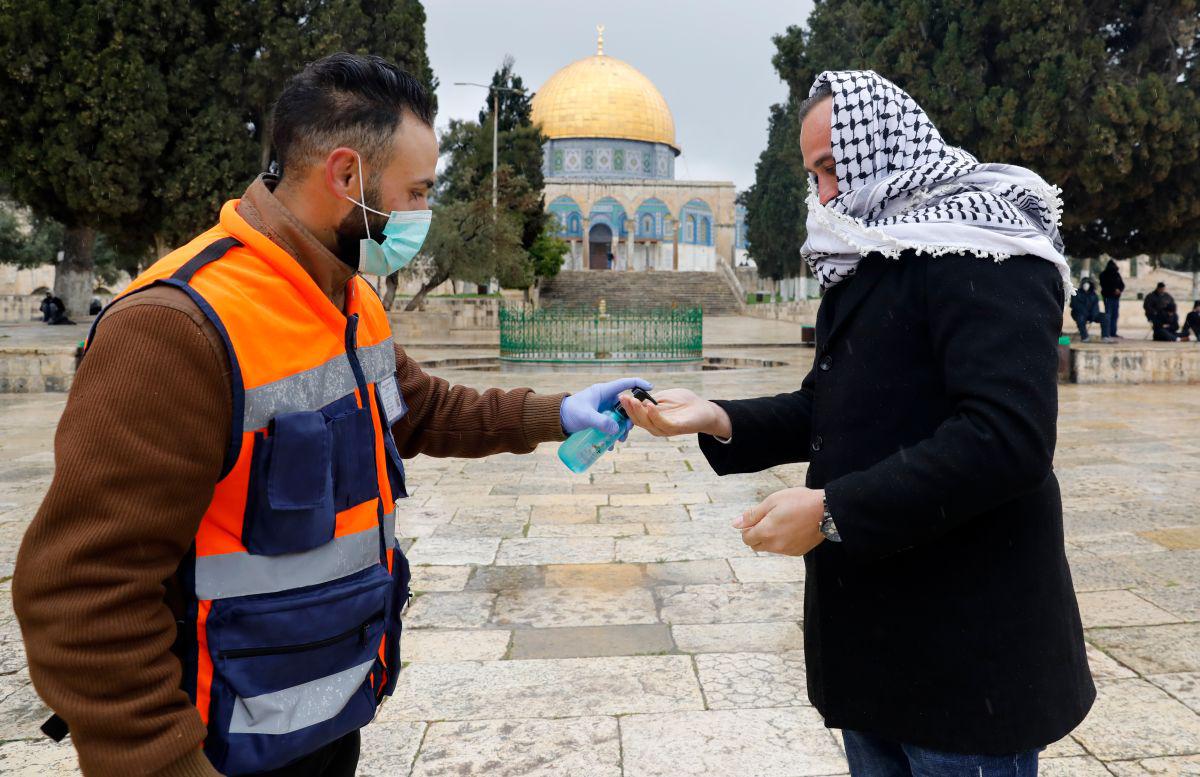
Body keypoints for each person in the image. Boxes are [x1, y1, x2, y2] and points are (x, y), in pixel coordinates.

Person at [13, 53, 646, 777]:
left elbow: (421, 409)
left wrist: (556, 412)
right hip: (218, 743)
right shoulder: (178, 326)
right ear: (347, 176)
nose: (422, 215)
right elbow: (80, 588)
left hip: (322, 720)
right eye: (415, 192)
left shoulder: (346, 300)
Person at [622, 71, 1093, 776]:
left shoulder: (987, 246)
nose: (825, 196)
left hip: (966, 658)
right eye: (815, 176)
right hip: (875, 648)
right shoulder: (872, 258)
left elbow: (1007, 437)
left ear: (884, 144)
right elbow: (828, 404)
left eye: (833, 169)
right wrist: (714, 417)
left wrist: (833, 511)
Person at [1069, 277, 1113, 341]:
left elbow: (1095, 307)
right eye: (1084, 284)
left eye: (1087, 284)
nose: (1086, 286)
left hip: (1092, 315)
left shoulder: (1094, 294)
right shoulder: (1076, 293)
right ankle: (1085, 337)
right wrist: (1084, 312)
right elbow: (1074, 305)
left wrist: (1094, 314)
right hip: (1080, 314)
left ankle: (1105, 336)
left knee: (1105, 317)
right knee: (1080, 318)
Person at [1098, 259, 1124, 337]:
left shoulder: (1117, 274)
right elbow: (1105, 286)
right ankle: (1107, 333)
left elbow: (1122, 285)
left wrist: (1119, 290)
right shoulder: (1103, 275)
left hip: (1116, 298)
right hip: (1108, 297)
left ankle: (1113, 332)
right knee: (1108, 315)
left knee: (1115, 315)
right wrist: (1114, 290)